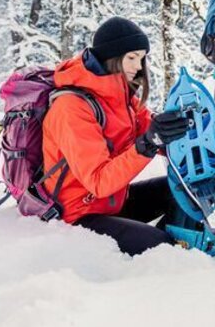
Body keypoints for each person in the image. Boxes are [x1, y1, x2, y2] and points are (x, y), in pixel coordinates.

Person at [42, 16, 191, 256]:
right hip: (80, 214)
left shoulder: (120, 92)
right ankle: (173, 255)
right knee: (161, 246)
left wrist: (183, 129)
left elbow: (150, 129)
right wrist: (147, 145)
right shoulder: (71, 107)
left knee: (184, 190)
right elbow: (99, 181)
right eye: (131, 57)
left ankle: (182, 243)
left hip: (113, 201)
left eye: (141, 58)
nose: (138, 66)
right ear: (110, 56)